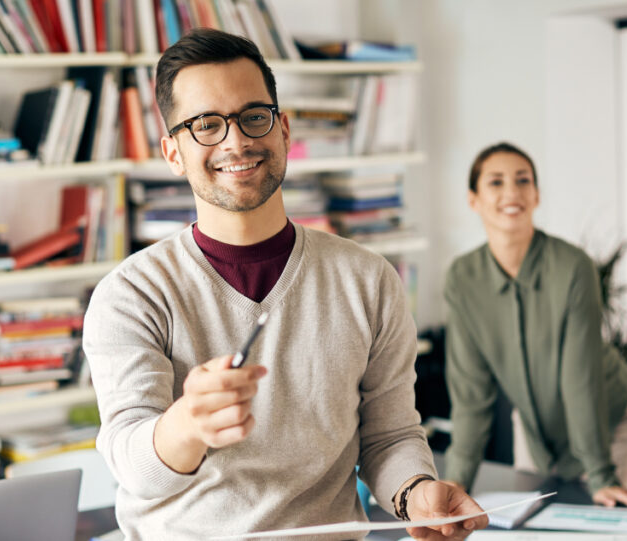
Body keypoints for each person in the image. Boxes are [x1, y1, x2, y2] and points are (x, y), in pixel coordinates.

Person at [83, 28, 487, 540]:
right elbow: (131, 466)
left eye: (255, 117)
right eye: (206, 125)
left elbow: (389, 436)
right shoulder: (132, 294)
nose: (237, 140)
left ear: (284, 130)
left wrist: (415, 493)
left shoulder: (368, 280)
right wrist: (188, 423)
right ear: (172, 153)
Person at [443, 142, 627, 509]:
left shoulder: (573, 267)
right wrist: (458, 481)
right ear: (473, 199)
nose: (511, 192)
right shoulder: (463, 279)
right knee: (535, 526)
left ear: (536, 195)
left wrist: (602, 475)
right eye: (496, 182)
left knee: (598, 520)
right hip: (536, 432)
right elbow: (471, 393)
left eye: (522, 181)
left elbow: (580, 379)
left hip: (608, 418)